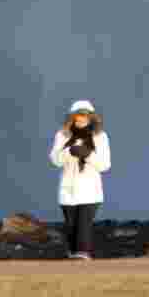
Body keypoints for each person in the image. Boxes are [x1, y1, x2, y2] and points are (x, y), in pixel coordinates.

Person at [49, 97, 110, 258]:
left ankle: (83, 258)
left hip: (90, 192)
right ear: (72, 117)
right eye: (78, 115)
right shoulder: (62, 136)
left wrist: (88, 154)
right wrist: (69, 152)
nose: (81, 118)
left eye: (85, 115)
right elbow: (55, 160)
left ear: (91, 117)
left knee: (83, 229)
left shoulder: (100, 137)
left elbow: (105, 165)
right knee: (71, 230)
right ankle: (73, 263)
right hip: (68, 192)